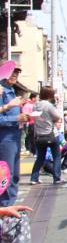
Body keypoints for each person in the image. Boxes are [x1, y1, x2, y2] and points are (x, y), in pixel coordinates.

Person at [0, 63, 28, 206]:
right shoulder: (1, 91)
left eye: (17, 73)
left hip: (15, 136)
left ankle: (12, 202)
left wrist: (24, 117)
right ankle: (5, 205)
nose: (15, 75)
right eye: (12, 73)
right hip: (4, 139)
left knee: (15, 174)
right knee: (6, 173)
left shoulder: (11, 90)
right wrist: (16, 118)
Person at [30, 87, 64, 185]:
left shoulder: (36, 105)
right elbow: (57, 116)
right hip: (51, 135)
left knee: (40, 157)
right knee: (57, 156)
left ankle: (34, 178)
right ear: (50, 95)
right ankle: (57, 178)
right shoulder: (49, 105)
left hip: (39, 135)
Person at [21, 92, 37, 157]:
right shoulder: (27, 105)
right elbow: (24, 115)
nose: (37, 99)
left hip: (37, 123)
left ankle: (35, 151)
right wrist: (31, 115)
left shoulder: (36, 105)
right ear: (33, 98)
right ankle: (32, 151)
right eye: (37, 97)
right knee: (31, 138)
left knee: (36, 138)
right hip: (30, 124)